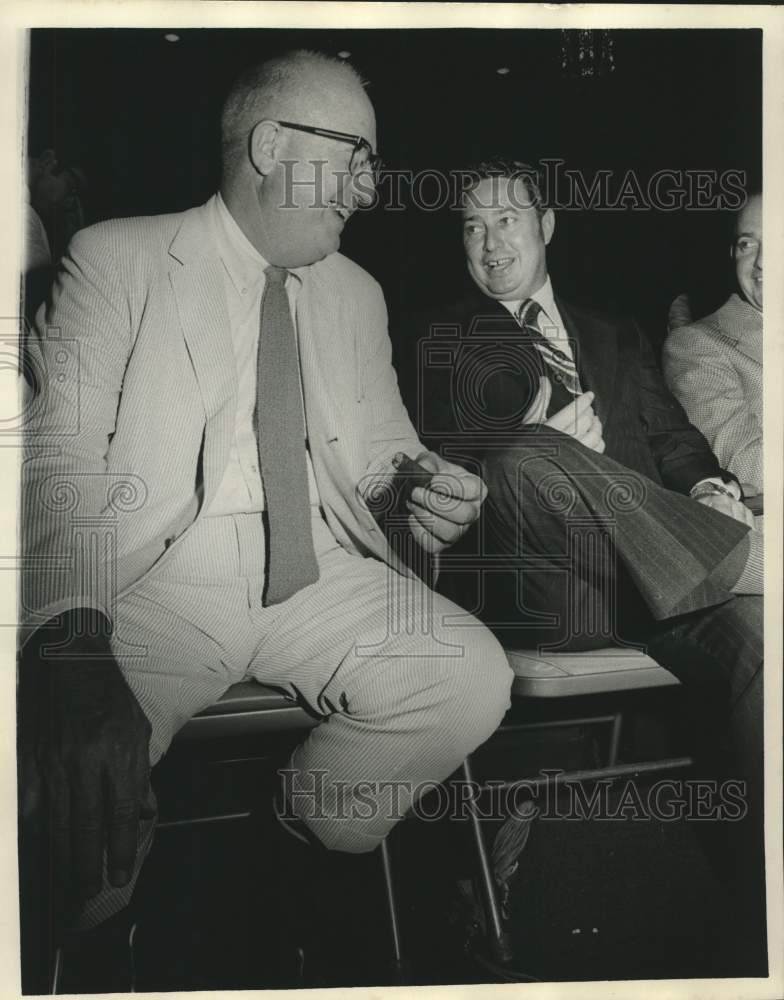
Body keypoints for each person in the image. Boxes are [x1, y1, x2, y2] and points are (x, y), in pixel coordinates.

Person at [19, 52, 514, 988]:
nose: (369, 190)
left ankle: (294, 849)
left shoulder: (357, 294)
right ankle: (87, 939)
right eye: (357, 156)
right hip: (157, 585)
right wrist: (73, 643)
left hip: (318, 576)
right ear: (270, 145)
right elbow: (58, 461)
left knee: (467, 676)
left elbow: (379, 454)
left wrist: (421, 491)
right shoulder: (118, 258)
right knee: (68, 799)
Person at [414, 157, 766, 972]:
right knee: (523, 454)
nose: (490, 242)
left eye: (506, 220)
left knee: (764, 650)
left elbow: (673, 437)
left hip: (666, 586)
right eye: (471, 225)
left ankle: (762, 914)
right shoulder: (440, 333)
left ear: (546, 226)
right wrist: (547, 441)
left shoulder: (614, 332)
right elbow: (448, 456)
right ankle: (740, 557)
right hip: (549, 582)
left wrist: (709, 483)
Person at [663, 191, 763, 496]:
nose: (761, 262)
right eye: (748, 244)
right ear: (733, 253)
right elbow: (746, 466)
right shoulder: (696, 345)